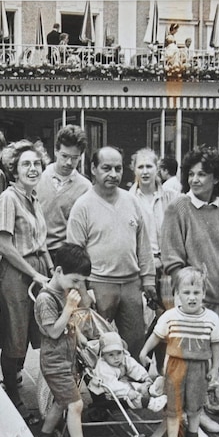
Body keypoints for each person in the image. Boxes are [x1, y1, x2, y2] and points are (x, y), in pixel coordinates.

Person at [160, 146, 219, 418]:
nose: (195, 179)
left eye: (203, 174)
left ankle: (201, 404)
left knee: (214, 357)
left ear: (216, 178)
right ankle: (191, 416)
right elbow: (171, 259)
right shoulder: (178, 207)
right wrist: (192, 293)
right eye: (191, 174)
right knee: (189, 360)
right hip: (192, 300)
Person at [67, 147, 157, 359]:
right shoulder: (82, 206)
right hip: (99, 285)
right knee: (99, 345)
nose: (113, 174)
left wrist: (149, 280)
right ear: (93, 169)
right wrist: (82, 293)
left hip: (131, 285)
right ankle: (103, 391)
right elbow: (74, 255)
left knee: (135, 342)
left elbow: (143, 245)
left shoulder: (132, 201)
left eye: (118, 169)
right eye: (106, 168)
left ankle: (133, 390)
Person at [33, 244, 107, 437]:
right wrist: (69, 307)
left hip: (68, 358)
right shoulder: (46, 299)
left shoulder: (65, 292)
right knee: (76, 404)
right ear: (57, 271)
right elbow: (54, 331)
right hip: (54, 362)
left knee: (62, 401)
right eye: (75, 280)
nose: (77, 286)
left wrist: (84, 340)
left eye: (81, 282)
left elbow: (71, 323)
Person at [0, 139, 53, 425]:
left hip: (38, 270)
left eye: (37, 164)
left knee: (37, 333)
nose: (32, 169)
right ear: (14, 170)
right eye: (25, 164)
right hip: (17, 274)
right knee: (15, 338)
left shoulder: (34, 198)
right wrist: (33, 273)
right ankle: (13, 396)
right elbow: (4, 245)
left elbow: (41, 242)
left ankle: (25, 388)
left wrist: (51, 271)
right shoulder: (8, 198)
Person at [140, 267, 219, 437]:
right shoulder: (170, 317)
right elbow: (156, 336)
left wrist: (215, 367)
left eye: (196, 293)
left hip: (199, 367)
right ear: (177, 294)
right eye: (186, 293)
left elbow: (216, 343)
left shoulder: (211, 318)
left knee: (195, 406)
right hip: (175, 367)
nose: (192, 298)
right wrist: (144, 352)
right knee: (174, 408)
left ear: (204, 294)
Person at [37, 124, 92, 263]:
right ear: (56, 151)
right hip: (36, 251)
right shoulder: (38, 178)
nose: (69, 162)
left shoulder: (85, 187)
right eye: (64, 156)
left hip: (66, 256)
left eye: (75, 158)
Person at [89, 331, 167, 412]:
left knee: (137, 387)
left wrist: (145, 377)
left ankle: (151, 389)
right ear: (103, 356)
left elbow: (134, 367)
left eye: (119, 353)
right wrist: (128, 391)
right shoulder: (103, 368)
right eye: (111, 355)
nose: (116, 358)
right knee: (133, 396)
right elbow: (113, 385)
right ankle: (152, 404)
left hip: (123, 384)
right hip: (106, 392)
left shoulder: (124, 358)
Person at [131, 148, 179, 276]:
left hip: (169, 266)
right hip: (140, 268)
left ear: (157, 168)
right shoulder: (128, 200)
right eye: (140, 167)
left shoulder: (173, 197)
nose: (145, 172)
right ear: (134, 169)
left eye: (149, 166)